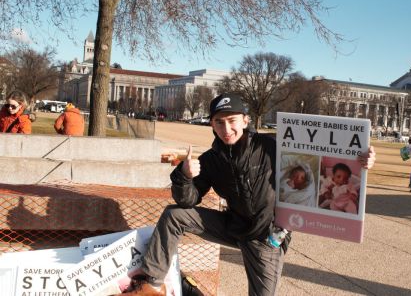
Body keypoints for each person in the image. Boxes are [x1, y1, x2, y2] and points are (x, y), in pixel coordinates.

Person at [119, 93, 377, 296]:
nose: (226, 128)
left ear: (245, 120)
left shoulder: (270, 147)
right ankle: (152, 284)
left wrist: (361, 159)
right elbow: (188, 200)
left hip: (265, 237)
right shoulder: (211, 159)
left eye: (232, 121)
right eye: (219, 122)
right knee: (175, 215)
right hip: (233, 225)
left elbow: (318, 156)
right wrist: (184, 175)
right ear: (212, 124)